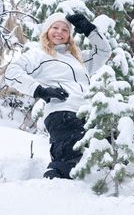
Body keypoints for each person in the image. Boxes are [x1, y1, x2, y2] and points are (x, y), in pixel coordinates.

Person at [5, 12, 112, 179]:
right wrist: (39, 90)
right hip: (62, 112)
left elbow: (103, 52)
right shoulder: (38, 54)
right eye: (55, 27)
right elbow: (12, 72)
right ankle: (51, 192)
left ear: (69, 35)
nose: (59, 32)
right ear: (47, 30)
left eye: (65, 30)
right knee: (68, 162)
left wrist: (89, 29)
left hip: (88, 113)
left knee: (108, 153)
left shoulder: (78, 59)